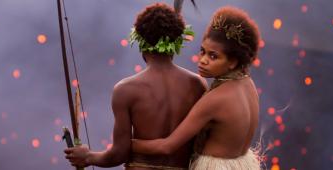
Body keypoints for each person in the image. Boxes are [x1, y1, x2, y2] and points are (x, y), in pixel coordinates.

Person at [64, 3, 207, 169]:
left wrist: (88, 156)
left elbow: (119, 153)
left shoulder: (125, 90)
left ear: (140, 41)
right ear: (176, 42)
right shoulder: (198, 84)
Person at [132, 6, 262, 170]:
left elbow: (166, 146)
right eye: (203, 51)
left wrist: (126, 145)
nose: (203, 60)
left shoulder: (216, 99)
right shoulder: (248, 85)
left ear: (233, 62)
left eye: (213, 56)